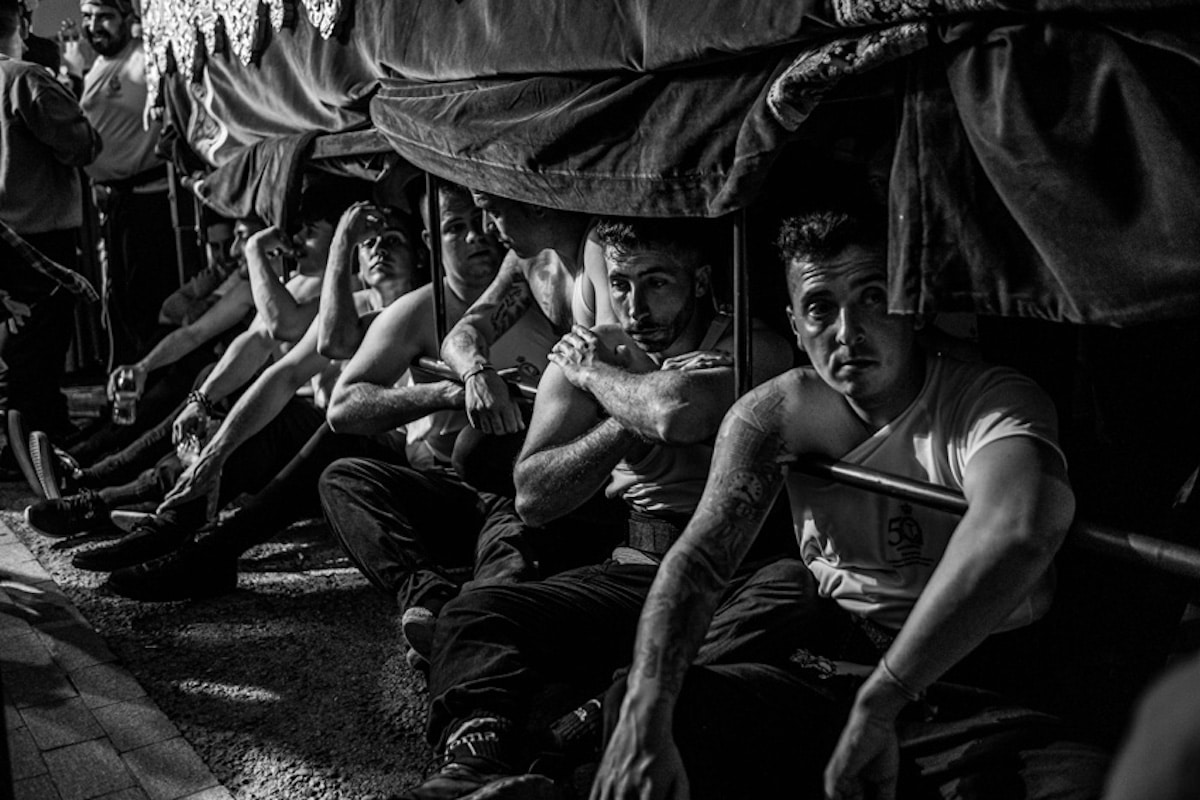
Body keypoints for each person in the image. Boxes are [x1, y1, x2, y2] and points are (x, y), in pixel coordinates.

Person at [590, 207, 1109, 800]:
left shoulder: (990, 400)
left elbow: (1019, 528)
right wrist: (647, 709)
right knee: (649, 712)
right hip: (841, 665)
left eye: (871, 297)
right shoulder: (780, 411)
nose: (847, 331)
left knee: (1086, 783)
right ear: (794, 323)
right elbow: (700, 561)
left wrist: (886, 698)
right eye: (820, 307)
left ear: (914, 308)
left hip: (979, 679)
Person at [395, 216, 799, 800]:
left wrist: (605, 385)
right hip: (637, 559)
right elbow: (533, 495)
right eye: (621, 284)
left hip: (736, 568)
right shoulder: (595, 352)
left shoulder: (750, 344)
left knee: (787, 599)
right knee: (473, 613)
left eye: (657, 283)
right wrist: (618, 400)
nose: (635, 305)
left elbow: (677, 412)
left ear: (702, 281)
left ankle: (579, 738)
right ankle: (473, 765)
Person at [34, 203, 420, 574]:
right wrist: (206, 421)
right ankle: (146, 512)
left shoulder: (416, 304)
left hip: (383, 453)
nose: (379, 250)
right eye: (368, 242)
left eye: (393, 240)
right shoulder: (349, 300)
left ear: (419, 253)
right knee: (217, 394)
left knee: (286, 420)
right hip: (322, 430)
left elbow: (282, 328)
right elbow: (274, 362)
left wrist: (269, 253)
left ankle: (134, 506)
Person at [315, 181, 560, 663]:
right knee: (341, 480)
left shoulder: (540, 294)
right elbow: (343, 407)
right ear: (433, 242)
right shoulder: (419, 309)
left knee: (516, 521)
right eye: (456, 228)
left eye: (484, 221)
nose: (477, 238)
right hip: (444, 487)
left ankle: (472, 623)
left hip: (511, 483)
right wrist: (450, 392)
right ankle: (427, 596)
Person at [438, 192, 614, 492]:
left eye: (493, 211)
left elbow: (616, 357)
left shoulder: (603, 245)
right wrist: (476, 373)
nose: (487, 228)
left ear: (534, 202)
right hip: (575, 408)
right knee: (476, 449)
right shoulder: (528, 260)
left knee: (482, 453)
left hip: (616, 419)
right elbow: (462, 334)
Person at [0, 0, 101, 467]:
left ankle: (27, 435)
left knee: (18, 347)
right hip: (41, 238)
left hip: (6, 236)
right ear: (21, 22)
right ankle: (36, 442)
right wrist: (74, 84)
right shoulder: (27, 77)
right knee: (40, 347)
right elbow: (80, 144)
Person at [64, 0, 176, 362]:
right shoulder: (96, 64)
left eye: (105, 17)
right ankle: (130, 392)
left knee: (149, 304)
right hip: (113, 206)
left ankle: (156, 394)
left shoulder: (144, 58)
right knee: (121, 306)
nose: (94, 25)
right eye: (88, 17)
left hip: (150, 201)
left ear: (129, 20)